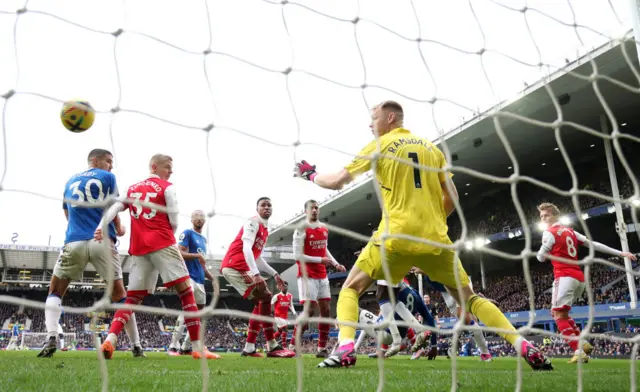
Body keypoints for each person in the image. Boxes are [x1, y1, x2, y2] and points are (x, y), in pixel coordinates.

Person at [295, 100, 551, 370]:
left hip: (394, 237)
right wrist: (433, 221)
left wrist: (310, 175)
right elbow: (452, 196)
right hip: (435, 239)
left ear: (390, 118)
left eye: (374, 118)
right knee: (471, 298)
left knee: (350, 289)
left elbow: (337, 181)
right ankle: (524, 346)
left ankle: (346, 348)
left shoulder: (380, 145)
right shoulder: (432, 149)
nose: (370, 124)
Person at [96, 154, 219, 360]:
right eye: (168, 167)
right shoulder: (167, 187)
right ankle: (198, 348)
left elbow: (115, 207)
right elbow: (173, 219)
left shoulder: (132, 188)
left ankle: (110, 339)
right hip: (163, 242)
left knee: (132, 298)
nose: (171, 171)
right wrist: (168, 235)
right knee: (186, 292)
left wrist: (101, 227)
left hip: (139, 248)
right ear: (154, 166)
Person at [39, 149, 143, 358]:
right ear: (95, 160)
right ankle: (136, 346)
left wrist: (79, 227)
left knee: (55, 291)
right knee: (121, 297)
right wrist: (120, 227)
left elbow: (67, 213)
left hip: (74, 240)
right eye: (108, 161)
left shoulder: (70, 181)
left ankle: (51, 336)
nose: (111, 166)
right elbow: (113, 206)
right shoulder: (107, 177)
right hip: (101, 240)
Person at [537, 202, 637, 363]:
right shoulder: (570, 231)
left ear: (555, 215)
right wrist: (620, 253)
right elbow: (593, 244)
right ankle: (583, 344)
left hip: (563, 276)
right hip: (579, 278)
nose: (543, 218)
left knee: (557, 315)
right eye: (541, 216)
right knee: (562, 314)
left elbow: (540, 258)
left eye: (546, 215)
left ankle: (578, 349)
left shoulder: (549, 233)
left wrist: (543, 252)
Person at [220, 197, 295, 358]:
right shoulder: (252, 223)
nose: (267, 207)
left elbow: (258, 257)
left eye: (269, 205)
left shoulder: (265, 230)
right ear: (257, 209)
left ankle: (249, 348)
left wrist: (274, 273)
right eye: (263, 205)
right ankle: (272, 346)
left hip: (241, 266)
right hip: (235, 266)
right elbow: (246, 247)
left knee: (260, 302)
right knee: (266, 296)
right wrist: (256, 274)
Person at [289, 199, 346, 357]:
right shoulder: (301, 229)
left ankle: (321, 348)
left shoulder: (323, 228)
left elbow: (324, 248)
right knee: (309, 312)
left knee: (326, 310)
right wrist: (320, 260)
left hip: (322, 273)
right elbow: (297, 255)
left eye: (316, 208)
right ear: (305, 211)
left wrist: (335, 264)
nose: (314, 210)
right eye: (311, 208)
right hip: (307, 274)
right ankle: (293, 345)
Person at [168, 210, 215, 356]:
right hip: (188, 277)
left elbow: (202, 263)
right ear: (191, 219)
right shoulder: (187, 233)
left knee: (198, 315)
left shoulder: (204, 240)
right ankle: (173, 346)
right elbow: (179, 252)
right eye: (196, 217)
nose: (199, 219)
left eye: (202, 217)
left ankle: (186, 346)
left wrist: (213, 279)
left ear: (205, 221)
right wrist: (196, 255)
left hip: (200, 281)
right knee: (187, 312)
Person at [418, 272, 492, 361]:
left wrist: (423, 270)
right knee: (467, 320)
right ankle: (477, 301)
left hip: (457, 282)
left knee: (465, 317)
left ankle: (485, 353)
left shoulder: (428, 264)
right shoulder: (424, 273)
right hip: (447, 292)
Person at [272, 282, 296, 347]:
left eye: (286, 286)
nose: (285, 287)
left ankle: (269, 341)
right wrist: (270, 312)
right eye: (283, 286)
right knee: (285, 329)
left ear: (287, 287)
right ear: (281, 287)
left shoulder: (290, 295)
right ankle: (284, 346)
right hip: (278, 316)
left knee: (279, 332)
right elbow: (271, 303)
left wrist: (294, 312)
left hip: (285, 316)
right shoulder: (277, 296)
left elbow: (291, 305)